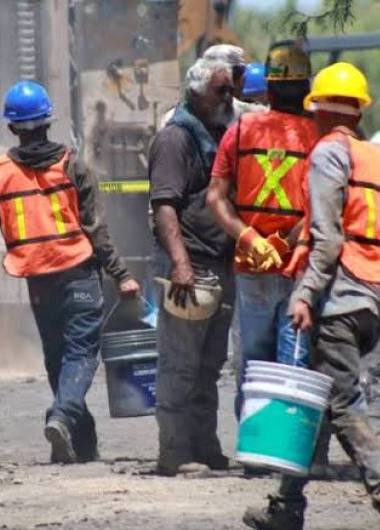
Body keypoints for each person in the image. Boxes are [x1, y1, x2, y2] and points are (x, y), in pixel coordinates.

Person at [0, 81, 140, 464]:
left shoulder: (0, 173)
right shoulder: (74, 166)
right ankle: (60, 417)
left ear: (11, 128)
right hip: (78, 275)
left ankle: (81, 445)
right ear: (48, 122)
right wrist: (121, 274)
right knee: (82, 354)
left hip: (39, 281)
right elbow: (97, 230)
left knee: (58, 360)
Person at [242, 63, 380, 530]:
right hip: (378, 295)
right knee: (317, 398)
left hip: (341, 294)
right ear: (359, 111)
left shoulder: (326, 153)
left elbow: (329, 238)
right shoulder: (378, 156)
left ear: (316, 111)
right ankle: (287, 506)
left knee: (340, 401)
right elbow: (350, 218)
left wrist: (304, 293)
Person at [207, 41, 316, 420]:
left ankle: (254, 448)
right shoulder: (318, 137)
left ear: (267, 90)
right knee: (293, 363)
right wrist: (284, 240)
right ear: (307, 90)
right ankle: (285, 449)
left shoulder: (239, 131)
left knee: (252, 362)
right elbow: (324, 206)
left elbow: (215, 199)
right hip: (297, 267)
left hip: (251, 266)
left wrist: (249, 238)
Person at [148, 58, 235, 476]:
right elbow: (165, 206)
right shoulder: (175, 140)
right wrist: (181, 264)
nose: (228, 96)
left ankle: (205, 445)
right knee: (180, 364)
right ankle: (175, 452)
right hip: (193, 268)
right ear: (197, 92)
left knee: (209, 364)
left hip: (219, 267)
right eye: (221, 90)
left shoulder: (216, 133)